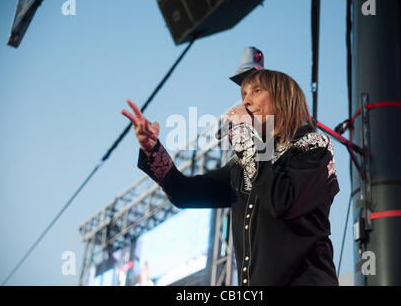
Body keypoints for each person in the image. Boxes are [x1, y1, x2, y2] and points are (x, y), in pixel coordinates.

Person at [121, 69, 340, 286]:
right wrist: (152, 149)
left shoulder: (313, 146)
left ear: (283, 97)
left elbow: (282, 200)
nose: (246, 101)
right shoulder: (241, 164)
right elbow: (184, 193)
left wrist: (246, 136)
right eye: (244, 94)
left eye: (256, 91)